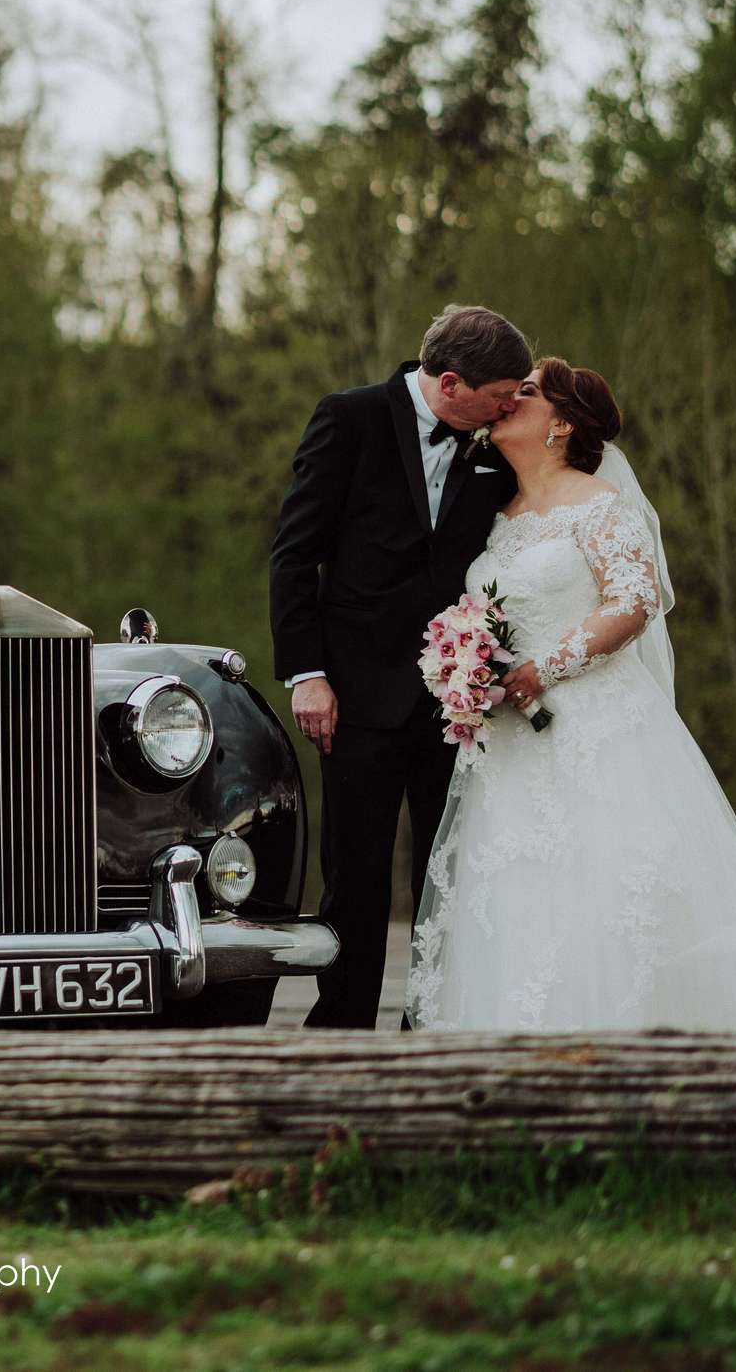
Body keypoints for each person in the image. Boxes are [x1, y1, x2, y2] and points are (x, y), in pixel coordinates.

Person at [405, 358, 736, 1032]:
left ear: (562, 422)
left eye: (527, 393)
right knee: (516, 902)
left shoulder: (600, 504)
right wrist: (469, 663)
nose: (509, 401)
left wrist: (544, 667)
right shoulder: (497, 517)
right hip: (510, 749)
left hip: (597, 729)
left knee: (607, 893)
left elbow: (633, 602)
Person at [270, 305, 531, 1030]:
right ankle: (343, 1029)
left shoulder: (493, 447)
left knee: (445, 875)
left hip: (455, 703)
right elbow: (295, 552)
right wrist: (307, 673)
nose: (509, 405)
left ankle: (433, 1020)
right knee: (354, 878)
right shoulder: (347, 420)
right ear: (451, 383)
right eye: (500, 392)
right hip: (353, 697)